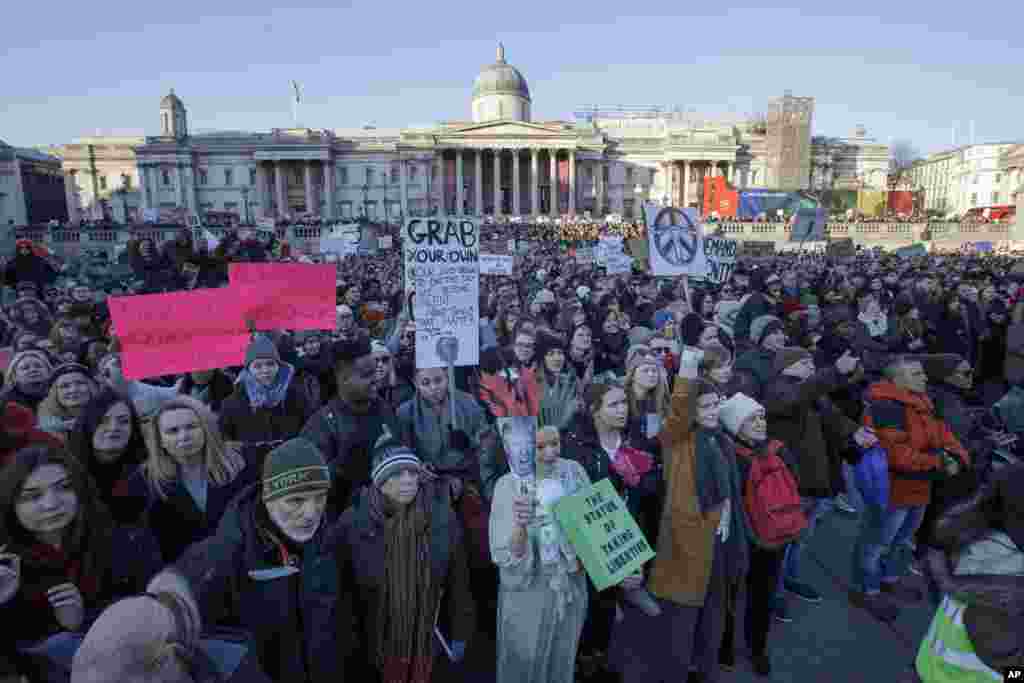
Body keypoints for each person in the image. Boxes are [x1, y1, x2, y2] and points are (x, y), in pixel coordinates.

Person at [155, 439, 352, 682]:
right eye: (295, 500)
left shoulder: (331, 540)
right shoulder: (219, 557)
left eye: (319, 497)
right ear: (268, 498)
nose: (311, 513)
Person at [0, 445, 157, 682]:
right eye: (32, 496)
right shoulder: (5, 565)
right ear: (11, 503)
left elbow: (151, 615)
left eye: (63, 488)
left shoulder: (126, 542)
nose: (51, 504)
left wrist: (83, 621)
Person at [330, 436, 476, 683]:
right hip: (375, 638)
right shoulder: (353, 522)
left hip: (430, 636)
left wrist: (460, 631)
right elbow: (344, 594)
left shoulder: (441, 517)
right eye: (396, 474)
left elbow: (458, 579)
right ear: (379, 482)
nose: (408, 480)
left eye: (412, 472)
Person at [851, 357, 969, 621]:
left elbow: (946, 436)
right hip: (892, 491)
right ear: (896, 380)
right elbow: (897, 455)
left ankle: (890, 578)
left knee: (902, 538)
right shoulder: (884, 408)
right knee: (877, 542)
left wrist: (958, 458)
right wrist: (941, 462)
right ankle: (866, 589)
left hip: (919, 486)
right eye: (916, 374)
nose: (924, 378)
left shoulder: (922, 402)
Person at [489, 426, 590, 683]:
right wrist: (521, 526)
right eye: (539, 447)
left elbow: (596, 523)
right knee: (524, 665)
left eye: (555, 443)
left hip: (569, 590)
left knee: (562, 661)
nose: (550, 452)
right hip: (529, 596)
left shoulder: (573, 472)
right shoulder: (507, 485)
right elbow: (505, 555)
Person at [716, 392, 799, 677]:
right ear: (735, 425)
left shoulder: (777, 450)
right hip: (743, 538)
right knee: (730, 594)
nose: (760, 423)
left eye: (762, 417)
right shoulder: (727, 454)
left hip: (768, 539)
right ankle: (726, 644)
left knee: (761, 596)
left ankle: (755, 648)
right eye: (751, 419)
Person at [122, 396, 256, 564]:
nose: (183, 436)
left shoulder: (241, 461)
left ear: (205, 429)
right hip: (183, 573)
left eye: (191, 427)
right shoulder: (144, 479)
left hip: (241, 563)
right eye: (173, 431)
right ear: (160, 439)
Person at [300, 334, 401, 519]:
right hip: (347, 524)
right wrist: (341, 470)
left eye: (374, 372)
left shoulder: (385, 409)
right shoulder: (322, 424)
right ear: (344, 379)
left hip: (390, 517)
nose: (375, 379)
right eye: (366, 375)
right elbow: (308, 487)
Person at [65, 389, 148, 524]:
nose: (113, 427)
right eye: (103, 420)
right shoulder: (66, 470)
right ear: (88, 424)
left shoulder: (149, 470)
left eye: (123, 421)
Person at [220, 335, 315, 446]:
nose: (265, 370)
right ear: (248, 370)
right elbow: (226, 440)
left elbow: (310, 430)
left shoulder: (295, 395)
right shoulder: (232, 403)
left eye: (270, 364)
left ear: (279, 366)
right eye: (257, 366)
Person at [36, 364, 97, 441]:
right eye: (64, 386)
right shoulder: (44, 431)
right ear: (54, 393)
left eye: (80, 383)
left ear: (92, 387)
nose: (73, 390)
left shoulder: (108, 414)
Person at [2, 350, 54, 414]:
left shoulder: (59, 391)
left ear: (48, 371)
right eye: (25, 368)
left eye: (38, 366)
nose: (33, 370)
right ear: (14, 376)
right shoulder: (6, 403)